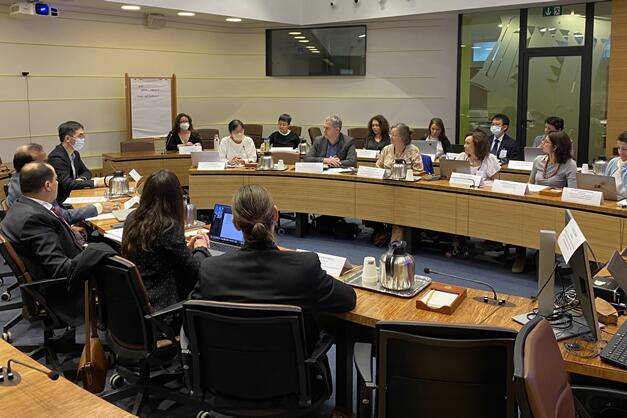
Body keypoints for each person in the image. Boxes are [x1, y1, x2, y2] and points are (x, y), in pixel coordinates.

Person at [191, 184, 356, 351]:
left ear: (235, 223)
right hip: (291, 376)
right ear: (276, 215)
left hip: (227, 374)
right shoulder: (305, 267)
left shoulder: (211, 269)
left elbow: (191, 318)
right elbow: (348, 299)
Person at [121, 169, 210, 311]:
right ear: (175, 198)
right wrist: (201, 247)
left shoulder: (132, 218)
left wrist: (187, 247)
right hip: (163, 309)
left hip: (135, 305)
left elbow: (159, 255)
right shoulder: (168, 227)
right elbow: (195, 272)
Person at [0, 162, 84, 280]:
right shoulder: (34, 219)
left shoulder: (20, 204)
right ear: (48, 185)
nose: (58, 183)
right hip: (68, 288)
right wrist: (93, 253)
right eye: (56, 179)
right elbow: (60, 268)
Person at [7, 144, 116, 223]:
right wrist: (98, 207)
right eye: (44, 162)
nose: (49, 164)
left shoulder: (24, 179)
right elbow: (57, 215)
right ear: (30, 165)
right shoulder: (27, 187)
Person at [375, 123, 423, 242]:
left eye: (394, 135)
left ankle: (395, 240)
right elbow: (377, 167)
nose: (391, 137)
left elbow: (419, 172)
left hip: (406, 191)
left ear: (402, 137)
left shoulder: (413, 150)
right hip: (386, 188)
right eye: (391, 134)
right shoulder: (386, 149)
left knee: (398, 208)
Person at [48, 121, 105, 205]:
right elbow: (66, 184)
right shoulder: (57, 157)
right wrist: (96, 183)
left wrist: (81, 180)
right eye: (80, 136)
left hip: (75, 196)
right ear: (67, 138)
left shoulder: (74, 153)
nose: (83, 138)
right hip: (62, 202)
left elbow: (86, 172)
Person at [605, 131, 627, 198]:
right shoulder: (613, 162)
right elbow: (604, 184)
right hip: (612, 202)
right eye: (618, 148)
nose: (620, 152)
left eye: (624, 149)